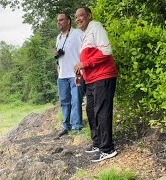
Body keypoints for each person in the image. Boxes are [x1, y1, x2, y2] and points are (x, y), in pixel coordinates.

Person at [74, 7, 118, 162]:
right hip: (91, 80)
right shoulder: (85, 35)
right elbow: (86, 61)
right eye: (76, 17)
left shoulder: (96, 27)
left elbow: (106, 51)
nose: (78, 18)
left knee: (102, 112)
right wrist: (80, 75)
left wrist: (84, 63)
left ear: (89, 16)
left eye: (81, 15)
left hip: (103, 76)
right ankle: (98, 143)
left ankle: (107, 149)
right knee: (92, 111)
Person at [54, 13, 84, 137]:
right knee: (64, 101)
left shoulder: (78, 33)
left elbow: (85, 50)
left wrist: (82, 65)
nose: (59, 22)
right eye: (57, 21)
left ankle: (77, 127)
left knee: (76, 100)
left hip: (76, 74)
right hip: (62, 76)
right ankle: (66, 126)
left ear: (68, 21)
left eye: (61, 20)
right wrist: (57, 66)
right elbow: (59, 56)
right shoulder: (59, 37)